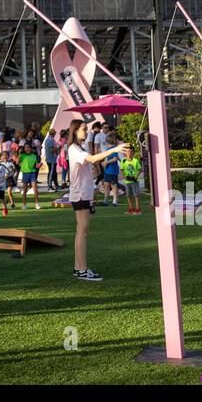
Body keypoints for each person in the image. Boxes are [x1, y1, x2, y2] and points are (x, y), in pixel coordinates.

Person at [66, 119, 129, 281]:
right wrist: (114, 149)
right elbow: (93, 160)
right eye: (83, 129)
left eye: (86, 129)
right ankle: (82, 270)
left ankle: (78, 267)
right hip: (79, 194)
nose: (86, 132)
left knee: (82, 231)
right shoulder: (74, 149)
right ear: (75, 131)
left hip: (84, 193)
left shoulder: (81, 147)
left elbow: (93, 162)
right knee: (82, 231)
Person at [17, 134, 41, 210]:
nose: (27, 149)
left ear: (31, 148)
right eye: (25, 148)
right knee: (24, 190)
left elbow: (35, 165)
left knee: (35, 189)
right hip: (25, 174)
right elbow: (17, 162)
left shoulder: (34, 156)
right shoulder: (22, 155)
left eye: (28, 147)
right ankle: (24, 205)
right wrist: (19, 156)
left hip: (32, 173)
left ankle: (37, 204)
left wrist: (38, 165)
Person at [121, 144, 144, 215]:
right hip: (127, 181)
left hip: (134, 181)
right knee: (128, 195)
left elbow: (140, 169)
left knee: (136, 195)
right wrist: (125, 177)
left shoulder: (135, 161)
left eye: (131, 151)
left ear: (133, 152)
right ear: (125, 153)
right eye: (128, 151)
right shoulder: (123, 160)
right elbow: (122, 170)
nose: (129, 153)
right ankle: (131, 209)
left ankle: (138, 209)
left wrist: (136, 177)